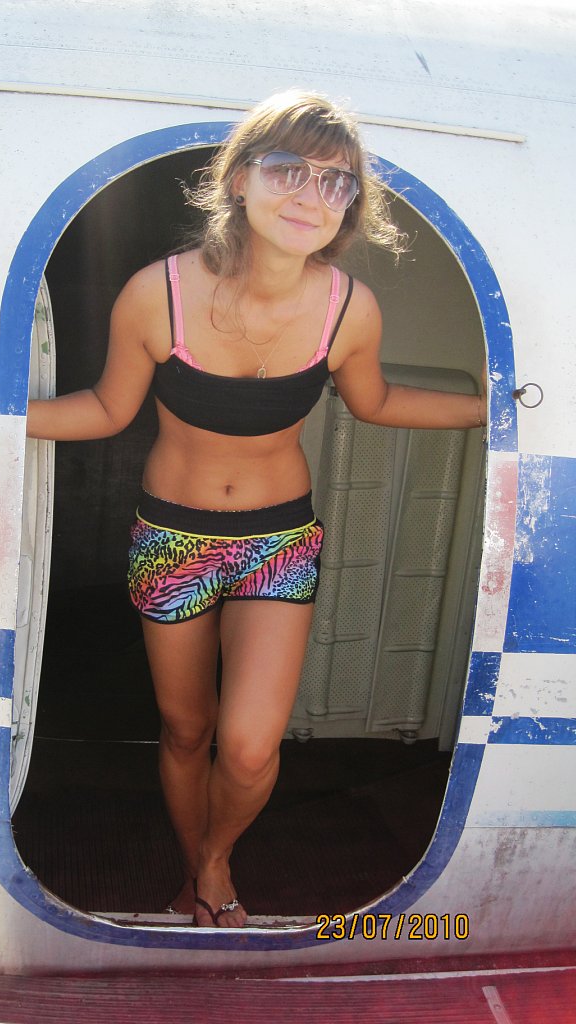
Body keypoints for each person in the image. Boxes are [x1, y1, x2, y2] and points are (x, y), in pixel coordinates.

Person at [26, 90, 486, 928]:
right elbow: (105, 409)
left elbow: (377, 401)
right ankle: (195, 872)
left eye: (336, 182)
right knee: (186, 732)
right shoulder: (158, 294)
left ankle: (213, 863)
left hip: (278, 542)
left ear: (350, 207)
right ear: (239, 179)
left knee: (246, 747)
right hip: (172, 540)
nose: (312, 195)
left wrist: (495, 410)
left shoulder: (348, 307)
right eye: (288, 170)